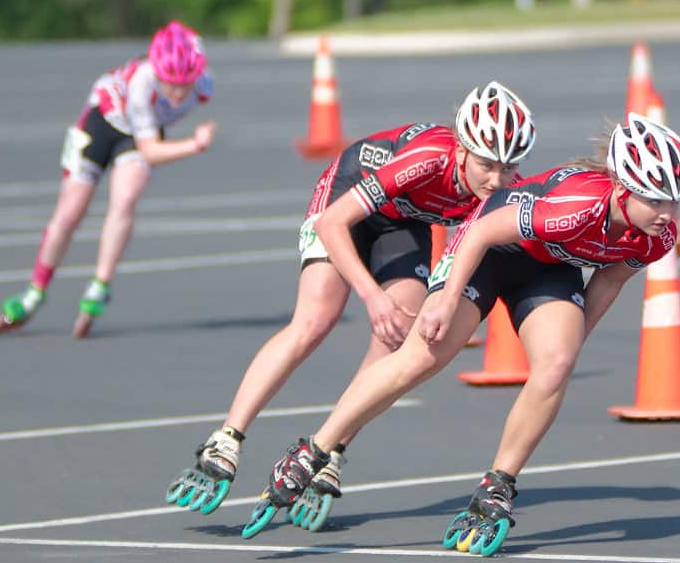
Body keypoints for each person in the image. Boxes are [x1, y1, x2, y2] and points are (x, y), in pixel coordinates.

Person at [239, 113, 680, 556]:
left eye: (674, 200)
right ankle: (314, 450)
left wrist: (573, 339)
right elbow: (477, 236)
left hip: (547, 270)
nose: (666, 213)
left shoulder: (657, 236)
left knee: (556, 366)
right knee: (422, 358)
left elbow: (609, 281)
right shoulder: (573, 206)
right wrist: (441, 299)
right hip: (489, 251)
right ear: (621, 188)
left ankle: (496, 488)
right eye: (655, 200)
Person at [165, 82, 537, 527]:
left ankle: (332, 450)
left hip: (404, 219)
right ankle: (225, 440)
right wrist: (371, 296)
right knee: (316, 319)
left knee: (397, 335)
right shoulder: (426, 160)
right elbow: (332, 223)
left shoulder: (500, 189)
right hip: (347, 197)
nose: (496, 179)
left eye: (508, 167)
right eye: (486, 165)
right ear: (460, 150)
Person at [0, 21, 216, 339]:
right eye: (169, 83)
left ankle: (99, 285)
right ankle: (34, 292)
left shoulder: (204, 85)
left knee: (126, 199)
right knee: (71, 212)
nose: (176, 93)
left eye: (184, 85)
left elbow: (188, 40)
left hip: (136, 134)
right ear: (156, 72)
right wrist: (195, 144)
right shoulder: (142, 85)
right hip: (102, 123)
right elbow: (151, 152)